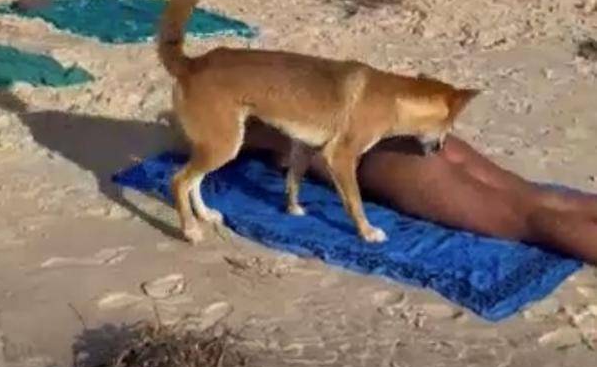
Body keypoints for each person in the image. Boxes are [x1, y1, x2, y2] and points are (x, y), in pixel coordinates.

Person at [243, 120, 597, 266]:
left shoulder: (245, 120)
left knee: (526, 218)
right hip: (409, 138)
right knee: (533, 196)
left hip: (392, 165)